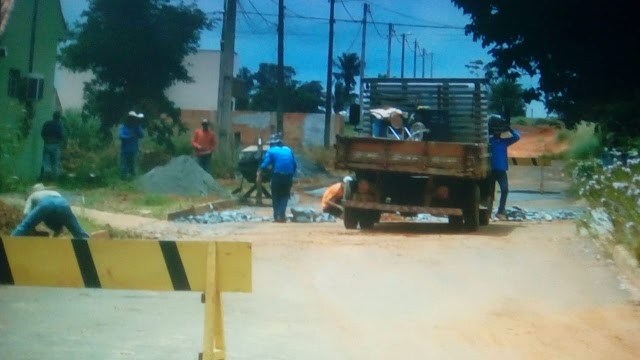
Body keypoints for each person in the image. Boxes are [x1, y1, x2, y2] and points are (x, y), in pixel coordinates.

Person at [12, 183, 90, 239]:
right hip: (63, 203)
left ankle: (10, 242)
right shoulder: (54, 192)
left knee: (24, 226)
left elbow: (26, 214)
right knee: (77, 231)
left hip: (46, 204)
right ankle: (90, 245)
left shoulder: (32, 196)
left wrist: (30, 229)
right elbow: (56, 221)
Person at [256, 133, 297, 223]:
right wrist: (292, 176)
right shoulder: (289, 150)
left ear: (272, 144)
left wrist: (260, 172)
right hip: (288, 176)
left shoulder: (271, 151)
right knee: (285, 195)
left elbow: (265, 164)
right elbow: (294, 164)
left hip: (277, 176)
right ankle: (282, 215)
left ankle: (276, 215)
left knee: (276, 195)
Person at [489, 115, 521, 220]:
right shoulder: (490, 140)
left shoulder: (504, 141)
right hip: (490, 170)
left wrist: (509, 129)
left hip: (501, 170)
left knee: (505, 189)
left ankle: (500, 211)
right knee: (489, 191)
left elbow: (517, 136)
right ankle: (488, 212)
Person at [119, 111, 145, 180]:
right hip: (125, 151)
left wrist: (137, 126)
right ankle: (124, 181)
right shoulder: (123, 127)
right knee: (124, 167)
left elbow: (142, 135)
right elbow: (121, 136)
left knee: (133, 167)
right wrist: (131, 135)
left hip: (134, 151)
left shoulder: (136, 127)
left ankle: (133, 181)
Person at [40, 111, 65, 180]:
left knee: (46, 162)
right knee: (55, 163)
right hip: (56, 145)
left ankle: (46, 177)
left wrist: (46, 140)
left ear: (53, 116)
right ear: (59, 117)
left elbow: (42, 133)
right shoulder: (60, 125)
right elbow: (62, 136)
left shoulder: (47, 123)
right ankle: (55, 179)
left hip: (47, 144)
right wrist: (61, 143)